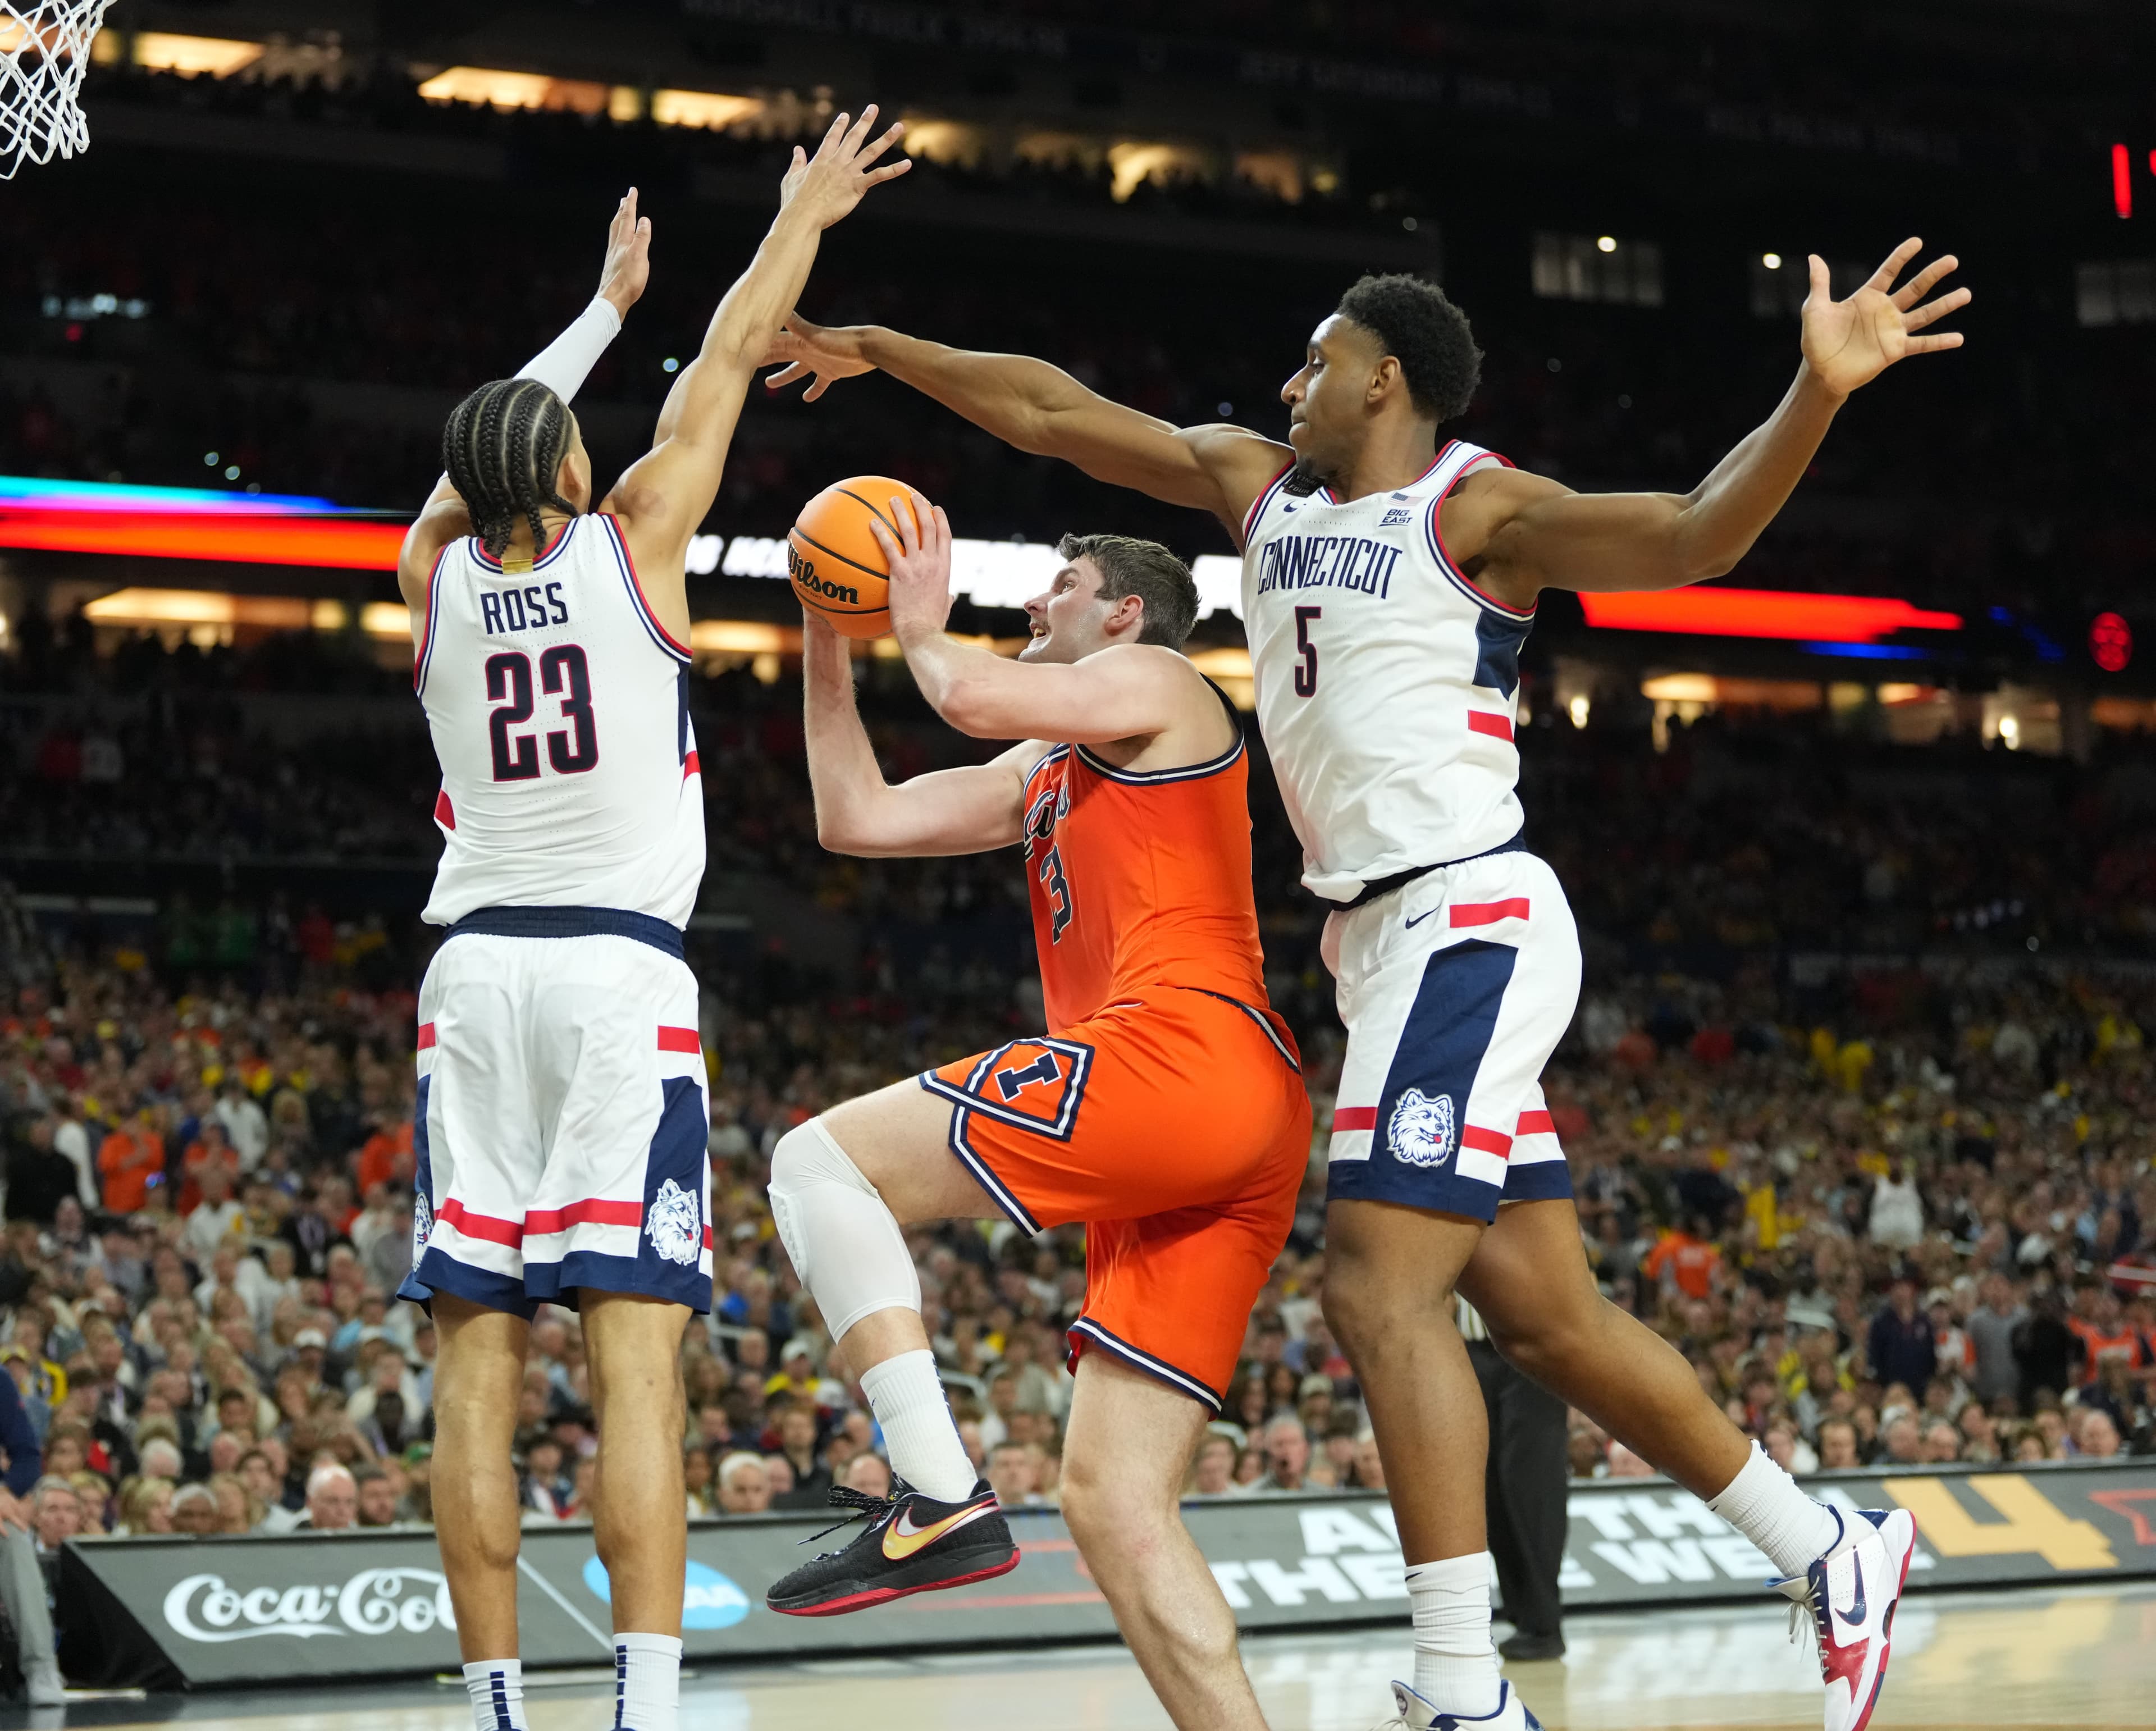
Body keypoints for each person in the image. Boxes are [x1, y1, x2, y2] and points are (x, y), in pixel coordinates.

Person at [764, 235, 1967, 1731]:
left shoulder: (1479, 508)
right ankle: (1827, 1544)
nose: (1288, 382)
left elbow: (1693, 532)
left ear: (1383, 376)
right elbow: (1054, 412)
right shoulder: (1255, 484)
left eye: (1314, 360)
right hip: (1376, 949)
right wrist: (883, 341)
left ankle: (1465, 1691)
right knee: (1541, 1317)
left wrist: (1815, 388)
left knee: (1373, 1285)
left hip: (1470, 915)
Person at [389, 113, 908, 1731]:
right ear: (559, 465)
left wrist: (595, 316)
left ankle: (491, 1705)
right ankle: (644, 1705)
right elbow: (743, 343)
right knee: (637, 1364)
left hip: (471, 976)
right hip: (616, 975)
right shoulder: (642, 541)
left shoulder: (431, 572)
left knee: (473, 1360)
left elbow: (465, 457)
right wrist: (798, 215)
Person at [762, 500, 1310, 1731]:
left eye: (1060, 584)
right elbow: (855, 815)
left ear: (1123, 612)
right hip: (1225, 1125)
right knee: (1114, 1503)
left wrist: (909, 605)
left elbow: (960, 689)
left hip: (1179, 1056)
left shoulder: (1165, 682)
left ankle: (936, 1486)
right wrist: (827, 635)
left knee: (814, 1160)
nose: (1034, 600)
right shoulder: (1047, 767)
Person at [1461, 1298, 1568, 1663]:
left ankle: (1544, 1622)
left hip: (1531, 1341)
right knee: (1490, 1486)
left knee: (1530, 1483)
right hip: (1472, 1348)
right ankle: (1521, 1611)